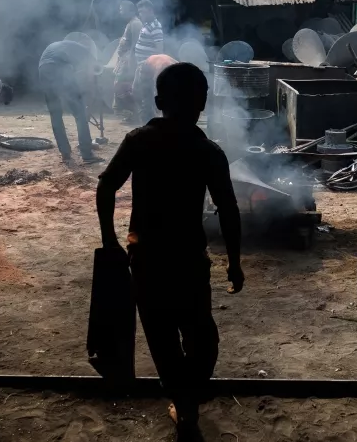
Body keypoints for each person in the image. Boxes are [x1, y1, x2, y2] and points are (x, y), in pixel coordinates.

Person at [97, 63, 243, 442]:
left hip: (147, 260)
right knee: (201, 338)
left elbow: (106, 187)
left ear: (159, 101)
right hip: (189, 262)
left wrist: (110, 239)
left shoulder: (139, 140)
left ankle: (184, 401)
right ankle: (187, 405)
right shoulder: (207, 151)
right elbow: (228, 209)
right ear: (203, 103)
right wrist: (234, 263)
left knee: (163, 338)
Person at [38, 33, 104, 164]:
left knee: (55, 115)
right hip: (59, 69)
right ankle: (87, 154)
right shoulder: (86, 52)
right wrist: (86, 102)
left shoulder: (61, 46)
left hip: (43, 70)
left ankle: (65, 154)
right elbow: (90, 77)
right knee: (80, 114)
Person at [113, 1, 144, 115]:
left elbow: (135, 46)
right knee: (121, 86)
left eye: (122, 10)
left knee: (124, 87)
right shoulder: (130, 23)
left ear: (130, 10)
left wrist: (131, 63)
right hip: (124, 60)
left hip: (128, 62)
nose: (120, 12)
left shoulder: (135, 24)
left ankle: (134, 113)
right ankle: (129, 113)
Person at [131, 54, 178, 125]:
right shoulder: (162, 69)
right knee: (147, 98)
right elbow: (156, 88)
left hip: (154, 63)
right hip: (146, 67)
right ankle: (146, 123)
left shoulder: (178, 67)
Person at [134, 0, 164, 64]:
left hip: (149, 65)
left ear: (150, 11)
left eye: (142, 12)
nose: (140, 15)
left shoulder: (155, 26)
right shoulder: (146, 24)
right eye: (139, 12)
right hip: (142, 64)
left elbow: (159, 50)